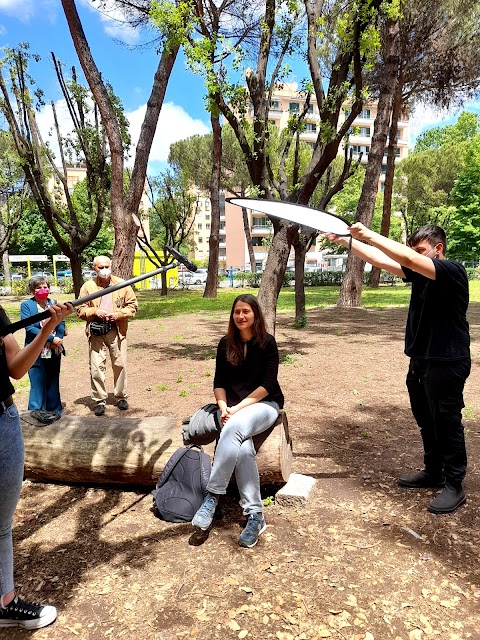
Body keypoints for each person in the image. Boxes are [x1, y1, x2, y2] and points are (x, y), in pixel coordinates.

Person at [327, 223, 470, 514]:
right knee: (425, 419)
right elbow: (379, 259)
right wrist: (346, 242)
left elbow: (405, 258)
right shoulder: (419, 274)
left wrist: (367, 234)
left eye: (420, 250)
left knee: (447, 422)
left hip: (447, 361)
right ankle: (434, 471)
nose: (413, 255)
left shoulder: (452, 272)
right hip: (420, 361)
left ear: (437, 249)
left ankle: (454, 484)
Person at [0, 301, 72, 629]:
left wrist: (47, 328)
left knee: (1, 522)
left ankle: (5, 603)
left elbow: (16, 367)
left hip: (2, 419)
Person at [192, 294, 284, 547]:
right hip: (231, 410)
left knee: (234, 427)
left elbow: (268, 385)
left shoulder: (268, 343)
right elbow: (219, 382)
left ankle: (212, 496)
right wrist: (223, 407)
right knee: (244, 450)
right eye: (237, 312)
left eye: (246, 311)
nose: (241, 316)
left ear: (255, 315)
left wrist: (237, 408)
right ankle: (255, 515)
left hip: (264, 405)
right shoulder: (225, 344)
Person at [76, 256, 138, 416]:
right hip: (96, 331)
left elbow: (133, 306)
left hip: (116, 330)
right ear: (94, 268)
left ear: (111, 266)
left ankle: (121, 396)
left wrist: (118, 314)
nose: (104, 270)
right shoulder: (88, 287)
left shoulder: (122, 284)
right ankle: (99, 400)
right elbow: (80, 309)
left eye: (106, 266)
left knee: (120, 364)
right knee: (96, 367)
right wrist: (94, 311)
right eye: (100, 267)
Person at [20, 276, 66, 416]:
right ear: (33, 290)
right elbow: (29, 328)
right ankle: (35, 413)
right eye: (39, 287)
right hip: (35, 350)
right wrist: (51, 338)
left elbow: (61, 323)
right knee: (37, 383)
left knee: (53, 381)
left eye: (45, 287)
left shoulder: (54, 303)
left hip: (53, 350)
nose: (43, 290)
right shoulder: (27, 305)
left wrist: (58, 337)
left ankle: (55, 412)